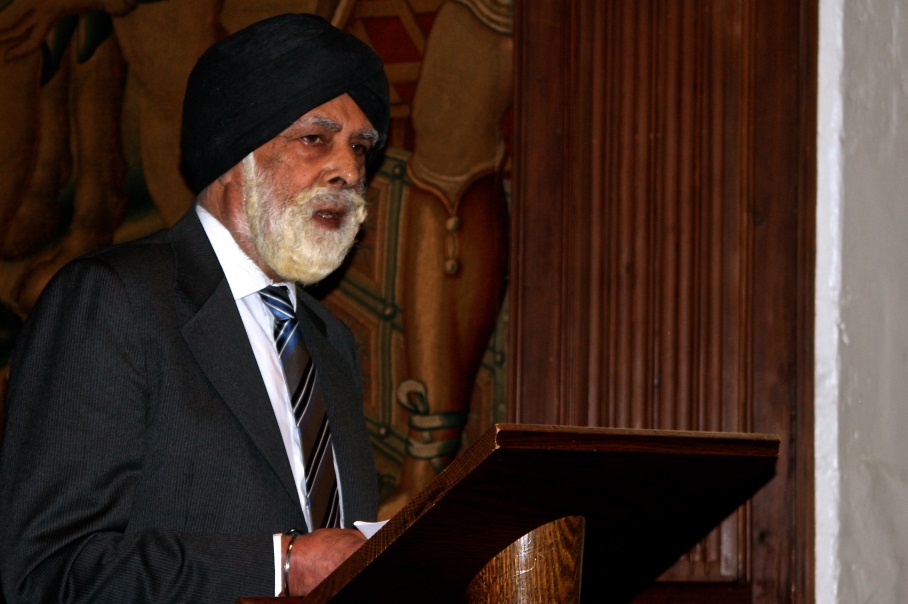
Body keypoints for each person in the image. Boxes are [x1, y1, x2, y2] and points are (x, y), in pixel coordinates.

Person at [0, 12, 389, 603]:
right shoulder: (111, 301)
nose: (348, 170)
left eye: (360, 148)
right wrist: (279, 565)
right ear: (236, 154)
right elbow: (52, 571)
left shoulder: (330, 342)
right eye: (316, 139)